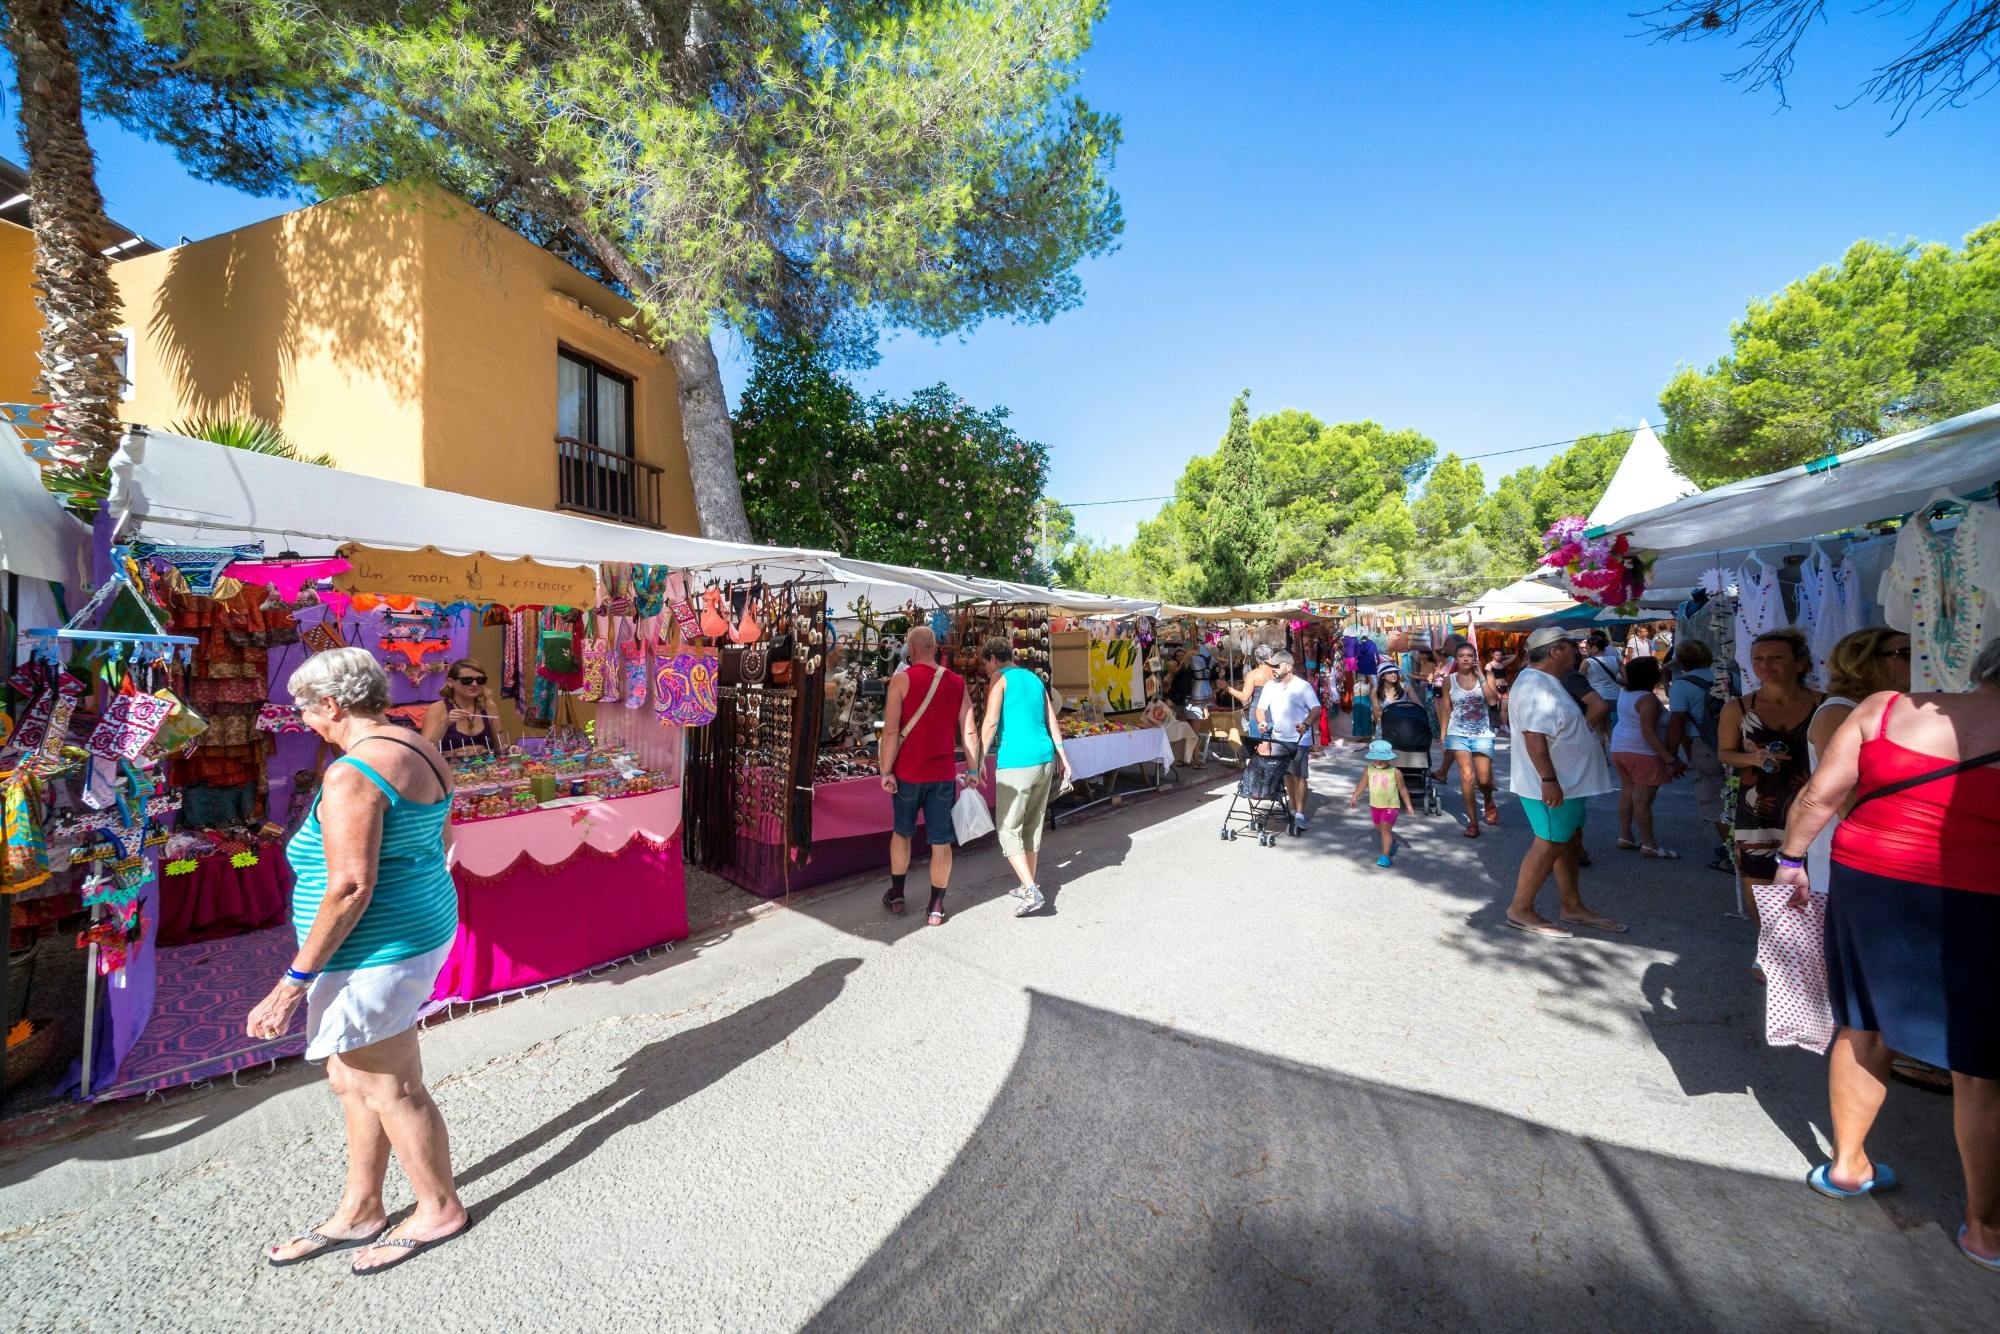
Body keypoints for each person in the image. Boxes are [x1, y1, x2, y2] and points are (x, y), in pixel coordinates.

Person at [1772, 638, 2000, 1271]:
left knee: (1863, 1025)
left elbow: (1818, 795)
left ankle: (1846, 1167)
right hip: (1982, 897)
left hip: (1870, 882)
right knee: (1980, 1064)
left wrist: (1792, 861)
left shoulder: (1884, 707)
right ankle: (1986, 1229)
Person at [251, 647, 466, 1274]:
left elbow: (349, 885)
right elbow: (442, 839)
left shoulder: (354, 773)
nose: (304, 721)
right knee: (352, 1078)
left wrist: (293, 982)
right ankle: (361, 1206)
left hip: (377, 948)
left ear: (332, 705)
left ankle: (438, 1208)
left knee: (389, 1085)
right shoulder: (417, 745)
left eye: (304, 709)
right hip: (406, 932)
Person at [1504, 627, 1622, 938]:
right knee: (1549, 842)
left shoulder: (1545, 682)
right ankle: (1520, 909)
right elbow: (1534, 737)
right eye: (1572, 646)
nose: (1578, 651)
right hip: (1552, 784)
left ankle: (1572, 906)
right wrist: (1548, 779)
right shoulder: (1535, 685)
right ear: (1556, 651)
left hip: (1568, 783)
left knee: (1566, 840)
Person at [1717, 628, 1821, 929]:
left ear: (1800, 663)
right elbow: (1725, 753)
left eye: (1776, 657)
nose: (1765, 665)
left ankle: (1809, 951)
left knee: (1814, 878)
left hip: (1813, 806)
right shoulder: (1738, 708)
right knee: (1759, 878)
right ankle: (1770, 949)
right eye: (1758, 659)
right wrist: (1752, 758)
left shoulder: (1826, 705)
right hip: (1758, 806)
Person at [878, 625, 979, 926]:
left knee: (902, 833)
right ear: (935, 647)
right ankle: (936, 906)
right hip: (942, 773)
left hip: (908, 772)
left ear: (910, 649)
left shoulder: (901, 680)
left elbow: (891, 730)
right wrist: (973, 769)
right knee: (940, 841)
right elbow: (969, 729)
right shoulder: (957, 682)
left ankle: (897, 895)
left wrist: (885, 771)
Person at [977, 638, 1072, 917]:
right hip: (1044, 758)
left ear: (994, 658)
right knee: (1031, 825)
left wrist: (978, 759)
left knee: (1008, 828)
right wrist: (1063, 756)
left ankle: (1031, 891)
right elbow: (1052, 720)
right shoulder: (1034, 678)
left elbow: (991, 721)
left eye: (985, 662)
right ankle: (1026, 882)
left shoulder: (999, 678)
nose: (984, 669)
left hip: (1017, 761)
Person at [1665, 639, 1733, 873]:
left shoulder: (1682, 686)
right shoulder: (1728, 675)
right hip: (1737, 742)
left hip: (1705, 745)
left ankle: (1733, 854)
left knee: (1715, 800)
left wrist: (1671, 755)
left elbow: (1676, 723)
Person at [1609, 656, 1686, 857]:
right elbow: (1648, 733)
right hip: (1642, 752)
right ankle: (1648, 844)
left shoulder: (1625, 692)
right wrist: (1670, 758)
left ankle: (1625, 836)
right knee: (1642, 800)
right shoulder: (1647, 699)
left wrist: (1664, 670)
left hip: (1620, 747)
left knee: (1627, 791)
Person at [1433, 641, 1502, 837]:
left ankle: (1488, 799)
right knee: (1466, 775)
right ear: (1455, 659)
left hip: (1482, 733)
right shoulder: (1450, 680)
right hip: (1458, 732)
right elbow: (1447, 709)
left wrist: (1481, 675)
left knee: (1484, 780)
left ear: (1475, 659)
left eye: (1469, 656)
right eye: (1461, 655)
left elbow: (1492, 701)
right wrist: (1443, 734)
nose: (1465, 659)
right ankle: (1472, 822)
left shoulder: (1486, 675)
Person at [1255, 650, 1323, 830]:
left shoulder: (1302, 686)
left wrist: (1306, 724)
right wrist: (1261, 721)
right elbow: (1260, 709)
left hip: (1299, 738)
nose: (1273, 669)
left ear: (1289, 667)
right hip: (1278, 738)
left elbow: (1316, 708)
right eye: (1272, 666)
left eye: (1277, 666)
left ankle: (1300, 813)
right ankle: (1293, 809)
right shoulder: (1270, 686)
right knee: (1287, 774)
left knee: (1299, 775)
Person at [1350, 738, 1414, 866]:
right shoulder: (1369, 769)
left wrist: (1408, 804)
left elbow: (1402, 789)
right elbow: (1363, 783)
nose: (1378, 762)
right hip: (1375, 805)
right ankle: (1391, 842)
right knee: (1379, 828)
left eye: (1382, 759)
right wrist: (1355, 795)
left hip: (1391, 806)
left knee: (1385, 829)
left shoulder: (1395, 772)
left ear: (1389, 758)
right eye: (1375, 758)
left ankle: (1385, 857)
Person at [420, 658, 505, 755]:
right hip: (449, 768)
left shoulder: (488, 706)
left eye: (480, 680)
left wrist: (510, 749)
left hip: (487, 768)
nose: (474, 684)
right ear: (451, 682)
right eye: (467, 680)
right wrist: (444, 724)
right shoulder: (438, 709)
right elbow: (425, 752)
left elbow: (500, 749)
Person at [1582, 630, 1624, 741]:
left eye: (1588, 647)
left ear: (1594, 647)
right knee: (1611, 729)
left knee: (1598, 730)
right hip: (1615, 697)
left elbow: (1580, 681)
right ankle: (1616, 755)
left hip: (1596, 699)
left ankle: (1604, 757)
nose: (1587, 650)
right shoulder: (1616, 660)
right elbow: (1626, 679)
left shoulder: (1587, 662)